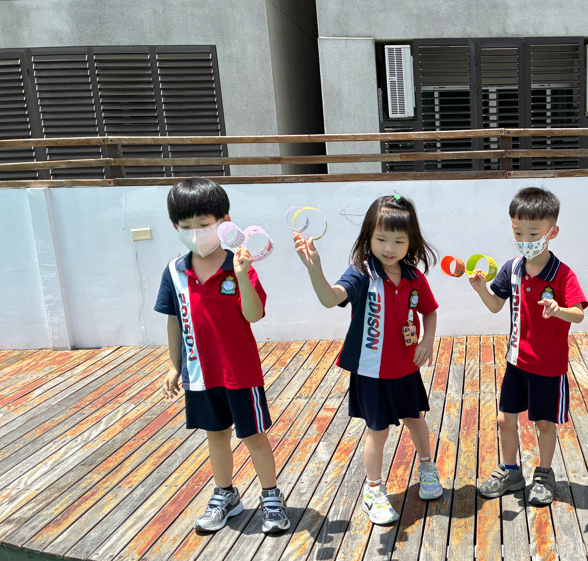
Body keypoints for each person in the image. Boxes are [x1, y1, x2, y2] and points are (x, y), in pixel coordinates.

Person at [294, 194, 440, 525]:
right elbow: (331, 298)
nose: (389, 247)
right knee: (378, 431)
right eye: (381, 238)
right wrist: (315, 270)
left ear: (411, 241)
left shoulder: (414, 277)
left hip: (406, 368)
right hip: (371, 372)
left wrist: (427, 341)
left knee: (416, 418)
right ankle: (373, 489)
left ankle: (427, 467)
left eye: (399, 240)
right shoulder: (361, 273)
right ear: (368, 237)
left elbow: (429, 311)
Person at [155, 177, 289, 534]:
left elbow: (254, 314)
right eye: (186, 226)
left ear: (224, 221)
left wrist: (242, 276)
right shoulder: (174, 271)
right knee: (215, 436)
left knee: (253, 436)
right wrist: (174, 365)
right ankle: (225, 495)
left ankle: (271, 496)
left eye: (204, 224)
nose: (195, 233)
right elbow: (174, 320)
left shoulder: (239, 264)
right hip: (200, 374)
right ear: (175, 227)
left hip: (239, 373)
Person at [469, 187, 588, 506]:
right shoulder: (512, 268)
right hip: (516, 362)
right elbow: (496, 306)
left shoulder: (563, 274)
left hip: (548, 366)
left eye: (533, 233)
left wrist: (558, 310)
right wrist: (481, 289)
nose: (524, 240)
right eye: (517, 232)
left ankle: (544, 474)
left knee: (544, 424)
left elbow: (578, 314)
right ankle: (510, 471)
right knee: (504, 420)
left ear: (552, 232)